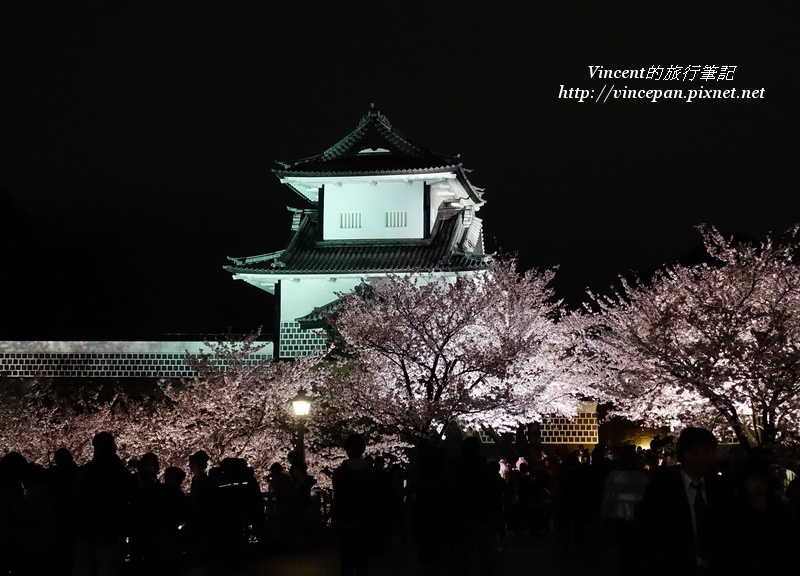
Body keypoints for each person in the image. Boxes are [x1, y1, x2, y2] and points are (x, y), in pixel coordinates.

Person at [637, 427, 734, 576]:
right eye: (706, 452)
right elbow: (652, 531)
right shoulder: (663, 489)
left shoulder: (720, 488)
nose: (712, 457)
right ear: (688, 455)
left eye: (712, 451)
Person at [72, 432, 133, 576]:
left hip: (86, 531)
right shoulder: (120, 473)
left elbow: (75, 499)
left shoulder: (85, 472)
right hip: (110, 533)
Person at [332, 433, 378, 576]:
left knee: (346, 561)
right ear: (363, 450)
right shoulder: (371, 472)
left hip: (345, 521)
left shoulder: (340, 472)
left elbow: (337, 497)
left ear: (346, 450)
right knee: (363, 560)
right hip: (366, 521)